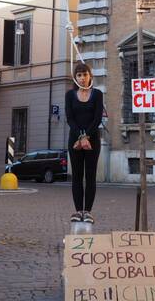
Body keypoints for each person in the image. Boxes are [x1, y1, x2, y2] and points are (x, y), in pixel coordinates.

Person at [65, 63, 103, 224]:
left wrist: (86, 136)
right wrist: (81, 138)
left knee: (90, 176)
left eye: (85, 74)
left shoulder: (97, 94)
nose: (82, 77)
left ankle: (87, 211)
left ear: (90, 76)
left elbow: (97, 118)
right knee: (77, 176)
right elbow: (70, 118)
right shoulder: (70, 95)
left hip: (93, 140)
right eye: (79, 75)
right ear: (76, 77)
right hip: (75, 140)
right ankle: (78, 211)